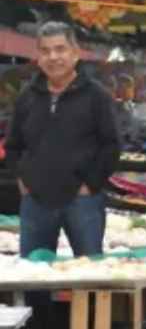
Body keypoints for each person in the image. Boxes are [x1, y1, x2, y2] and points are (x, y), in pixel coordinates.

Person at [5, 21, 121, 327]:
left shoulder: (96, 96)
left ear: (75, 53)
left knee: (90, 276)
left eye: (60, 49)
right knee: (33, 278)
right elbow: (13, 145)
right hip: (36, 201)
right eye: (45, 51)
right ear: (38, 57)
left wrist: (91, 185)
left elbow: (112, 145)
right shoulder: (27, 97)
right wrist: (22, 180)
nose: (53, 57)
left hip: (82, 201)